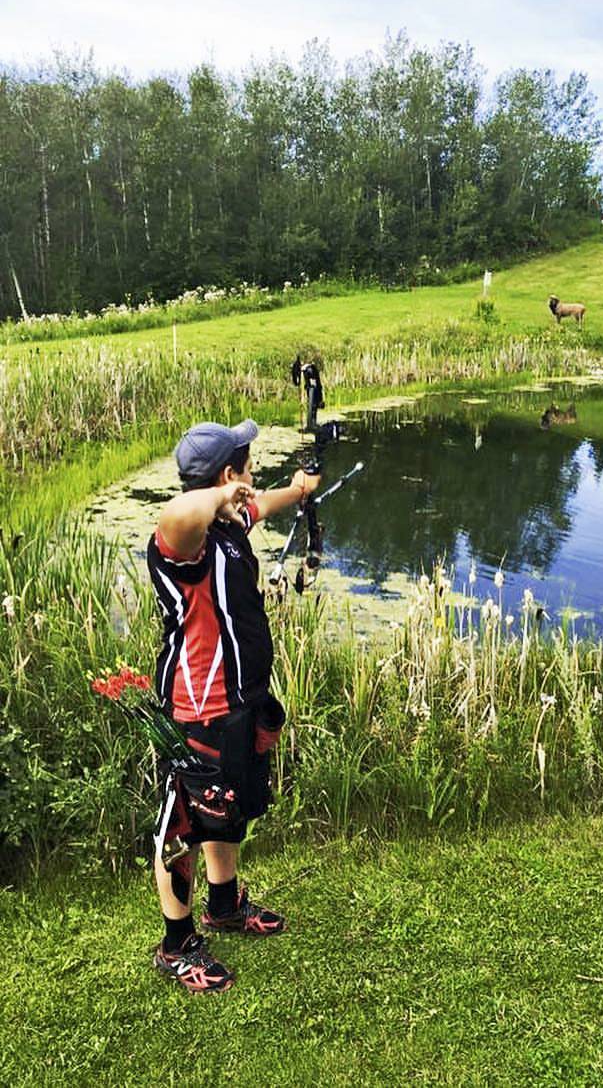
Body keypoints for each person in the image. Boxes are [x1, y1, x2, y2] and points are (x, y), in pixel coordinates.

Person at [147, 417, 320, 992]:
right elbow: (175, 516)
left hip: (241, 701)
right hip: (197, 709)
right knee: (184, 825)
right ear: (227, 475)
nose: (252, 474)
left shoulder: (226, 527)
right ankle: (177, 944)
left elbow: (257, 507)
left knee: (227, 807)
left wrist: (296, 490)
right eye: (246, 467)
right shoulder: (185, 544)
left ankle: (223, 905)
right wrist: (221, 497)